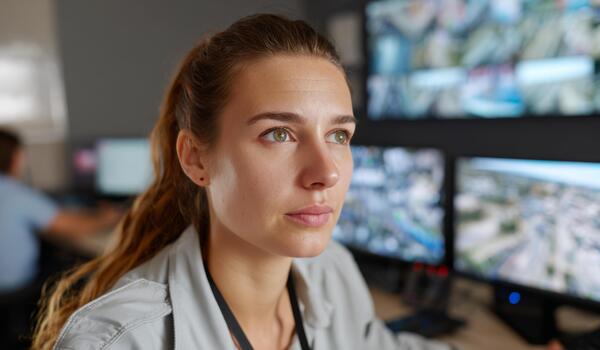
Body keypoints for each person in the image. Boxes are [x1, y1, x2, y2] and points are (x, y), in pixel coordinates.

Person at [32, 14, 454, 350]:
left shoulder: (332, 270)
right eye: (278, 134)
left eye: (338, 135)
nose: (326, 173)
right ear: (196, 159)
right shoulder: (119, 342)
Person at [0, 128, 121, 348]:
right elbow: (74, 227)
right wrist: (108, 217)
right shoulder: (16, 194)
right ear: (16, 158)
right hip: (15, 292)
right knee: (74, 270)